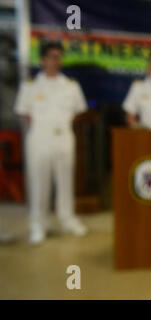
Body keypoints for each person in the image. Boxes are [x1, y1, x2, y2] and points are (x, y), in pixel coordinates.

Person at [14, 42, 88, 244]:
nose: (56, 61)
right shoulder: (30, 85)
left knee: (65, 181)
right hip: (40, 138)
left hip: (64, 137)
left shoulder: (71, 85)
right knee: (39, 183)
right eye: (52, 56)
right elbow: (25, 114)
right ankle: (39, 225)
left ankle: (67, 219)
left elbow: (77, 112)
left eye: (59, 56)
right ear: (43, 59)